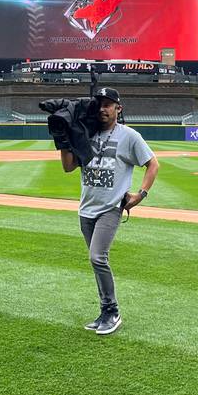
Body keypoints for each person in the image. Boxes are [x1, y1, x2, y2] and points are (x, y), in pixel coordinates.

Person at [60, 87, 159, 335]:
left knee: (97, 257)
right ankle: (104, 310)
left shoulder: (129, 136)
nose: (103, 108)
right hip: (86, 208)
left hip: (110, 207)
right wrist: (63, 139)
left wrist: (140, 195)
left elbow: (152, 164)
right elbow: (68, 167)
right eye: (100, 104)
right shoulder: (86, 133)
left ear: (118, 108)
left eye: (108, 104)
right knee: (96, 262)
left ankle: (112, 311)